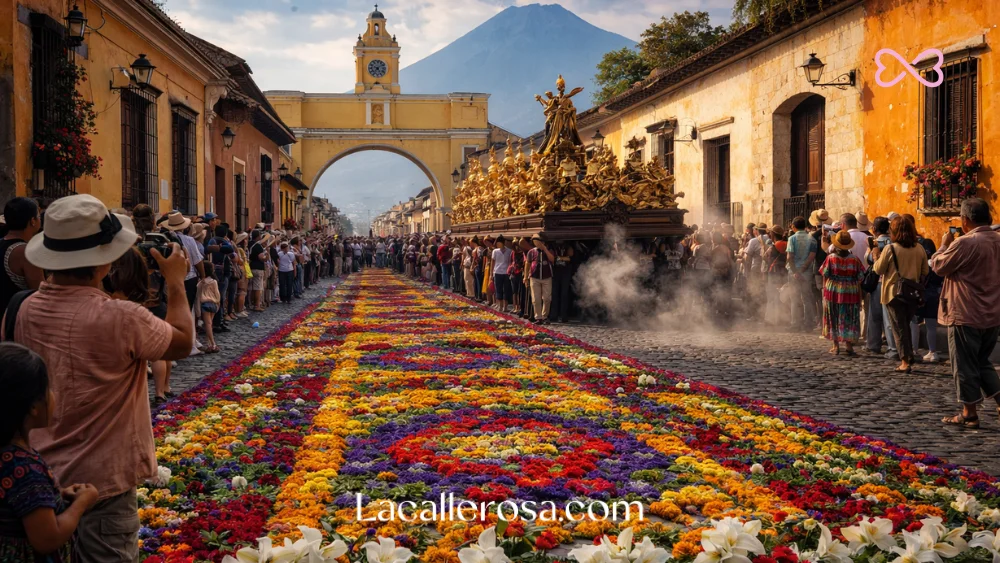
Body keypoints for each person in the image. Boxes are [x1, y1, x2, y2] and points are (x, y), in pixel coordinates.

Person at [5, 194, 193, 559]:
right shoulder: (122, 317)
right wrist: (175, 282)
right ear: (104, 262)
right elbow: (182, 342)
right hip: (102, 484)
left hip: (37, 482)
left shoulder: (21, 309)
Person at [0, 343, 100, 559]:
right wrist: (82, 502)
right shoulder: (24, 468)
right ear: (33, 407)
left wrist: (56, 496)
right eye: (48, 389)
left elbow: (16, 504)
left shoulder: (9, 455)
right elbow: (48, 538)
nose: (53, 395)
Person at [930, 198, 1000, 428]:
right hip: (992, 311)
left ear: (965, 219)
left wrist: (943, 245)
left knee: (964, 364)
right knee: (981, 361)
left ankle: (969, 412)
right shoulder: (997, 240)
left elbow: (939, 266)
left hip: (966, 311)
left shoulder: (965, 242)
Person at [873, 216, 928, 373]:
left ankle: (905, 361)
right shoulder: (919, 248)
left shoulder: (890, 249)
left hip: (893, 292)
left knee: (899, 327)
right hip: (912, 293)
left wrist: (876, 254)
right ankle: (909, 355)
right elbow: (925, 271)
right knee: (905, 324)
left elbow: (878, 269)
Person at [820, 230, 865, 355]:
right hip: (851, 291)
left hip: (833, 289)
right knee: (849, 316)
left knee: (833, 316)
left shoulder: (830, 258)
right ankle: (849, 345)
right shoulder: (855, 260)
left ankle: (835, 345)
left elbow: (825, 273)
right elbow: (861, 276)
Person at [0, 198, 44, 313]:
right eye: (38, 216)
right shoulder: (25, 252)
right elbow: (40, 293)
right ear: (32, 221)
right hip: (14, 319)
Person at [786, 216, 817, 328]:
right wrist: (803, 269)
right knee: (807, 298)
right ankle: (808, 323)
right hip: (807, 272)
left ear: (794, 227)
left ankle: (795, 323)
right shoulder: (812, 239)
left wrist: (795, 271)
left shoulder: (792, 239)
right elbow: (811, 257)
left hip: (793, 272)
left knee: (794, 298)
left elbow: (790, 257)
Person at [917, 237, 943, 363]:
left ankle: (913, 349)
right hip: (935, 296)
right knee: (931, 326)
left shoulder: (920, 263)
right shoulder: (938, 262)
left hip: (920, 295)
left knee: (914, 323)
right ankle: (933, 352)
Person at [526, 234, 554, 324]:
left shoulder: (549, 250)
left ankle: (545, 316)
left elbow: (552, 259)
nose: (536, 243)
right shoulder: (531, 252)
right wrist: (525, 277)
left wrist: (545, 249)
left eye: (538, 241)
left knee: (547, 298)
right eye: (535, 241)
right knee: (536, 298)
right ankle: (538, 317)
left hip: (547, 277)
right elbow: (527, 264)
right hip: (534, 277)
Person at [764, 226, 787, 325]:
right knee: (781, 295)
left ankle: (771, 319)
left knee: (772, 295)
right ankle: (781, 318)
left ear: (773, 234)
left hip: (773, 272)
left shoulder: (774, 246)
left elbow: (765, 257)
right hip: (783, 272)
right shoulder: (786, 244)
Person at [197, 266, 221, 353]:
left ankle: (212, 344)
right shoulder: (214, 281)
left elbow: (198, 296)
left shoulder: (200, 283)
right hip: (213, 304)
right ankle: (209, 344)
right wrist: (218, 303)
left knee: (208, 325)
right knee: (210, 325)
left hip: (205, 304)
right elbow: (217, 294)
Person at [491, 236, 512, 312]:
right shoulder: (495, 251)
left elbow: (510, 261)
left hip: (506, 272)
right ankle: (500, 305)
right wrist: (491, 274)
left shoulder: (509, 251)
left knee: (506, 289)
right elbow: (493, 263)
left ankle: (505, 306)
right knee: (498, 289)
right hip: (497, 271)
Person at [276, 241, 297, 305]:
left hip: (289, 270)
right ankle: (283, 298)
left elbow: (294, 263)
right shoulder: (279, 254)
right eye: (285, 248)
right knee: (282, 285)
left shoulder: (291, 254)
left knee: (289, 285)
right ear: (282, 249)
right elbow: (278, 262)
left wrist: (294, 271)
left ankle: (289, 298)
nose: (286, 249)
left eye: (287, 248)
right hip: (281, 271)